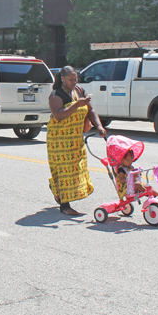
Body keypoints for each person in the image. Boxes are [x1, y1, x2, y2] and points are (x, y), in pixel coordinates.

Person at [47, 66, 106, 215]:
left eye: (76, 79)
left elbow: (91, 110)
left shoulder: (79, 91)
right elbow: (59, 115)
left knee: (76, 168)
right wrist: (77, 105)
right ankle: (65, 206)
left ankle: (57, 190)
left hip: (76, 138)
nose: (74, 81)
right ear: (62, 79)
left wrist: (99, 127)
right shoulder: (55, 95)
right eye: (71, 79)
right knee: (63, 170)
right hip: (59, 140)